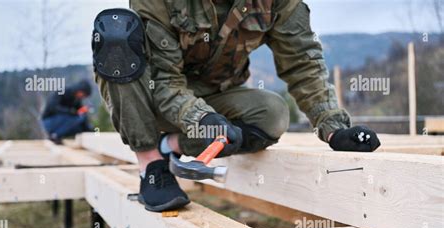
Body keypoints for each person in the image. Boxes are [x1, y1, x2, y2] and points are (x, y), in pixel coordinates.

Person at [91, 1, 381, 213]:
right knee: (115, 34)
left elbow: (302, 62)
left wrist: (333, 128)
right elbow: (165, 79)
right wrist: (200, 119)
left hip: (219, 97)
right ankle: (151, 164)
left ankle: (171, 145)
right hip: (153, 98)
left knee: (272, 114)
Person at [41, 80, 93, 144]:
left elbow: (80, 114)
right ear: (79, 90)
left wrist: (89, 130)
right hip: (49, 121)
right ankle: (54, 136)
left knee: (80, 125)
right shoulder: (62, 91)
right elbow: (53, 108)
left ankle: (57, 136)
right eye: (84, 94)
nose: (83, 97)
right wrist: (70, 112)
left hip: (62, 121)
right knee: (77, 118)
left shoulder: (76, 99)